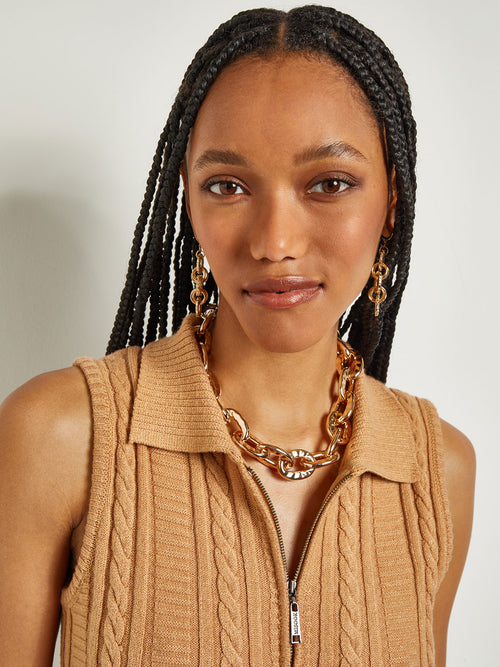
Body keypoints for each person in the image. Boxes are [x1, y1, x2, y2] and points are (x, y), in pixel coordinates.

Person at [0, 5, 475, 666]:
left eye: (330, 183)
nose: (274, 242)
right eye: (227, 185)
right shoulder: (61, 435)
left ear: (392, 202)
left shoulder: (436, 470)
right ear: (188, 201)